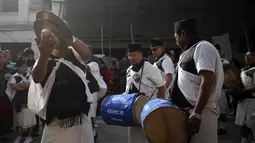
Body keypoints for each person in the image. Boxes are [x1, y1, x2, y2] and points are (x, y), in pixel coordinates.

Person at [28, 27, 94, 143]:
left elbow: (87, 55)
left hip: (81, 121)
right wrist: (44, 54)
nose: (50, 38)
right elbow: (37, 78)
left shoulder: (73, 55)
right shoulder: (43, 60)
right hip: (56, 124)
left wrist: (69, 37)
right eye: (46, 37)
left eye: (54, 34)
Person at [171, 18, 224, 143]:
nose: (176, 40)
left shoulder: (202, 47)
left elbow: (207, 80)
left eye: (176, 37)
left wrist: (196, 115)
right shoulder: (188, 51)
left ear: (182, 34)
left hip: (201, 113)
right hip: (187, 112)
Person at [124, 43, 165, 143]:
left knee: (150, 138)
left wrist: (160, 107)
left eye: (134, 55)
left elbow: (161, 88)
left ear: (141, 55)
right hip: (133, 111)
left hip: (149, 109)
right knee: (134, 138)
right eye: (129, 55)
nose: (131, 58)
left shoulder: (152, 69)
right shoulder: (129, 70)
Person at [6, 58, 36, 143]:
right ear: (18, 67)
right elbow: (13, 86)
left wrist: (19, 86)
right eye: (22, 67)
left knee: (29, 118)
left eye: (26, 66)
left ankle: (29, 136)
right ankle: (20, 136)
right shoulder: (14, 76)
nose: (25, 68)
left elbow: (30, 85)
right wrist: (23, 87)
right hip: (18, 101)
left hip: (28, 100)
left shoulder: (29, 76)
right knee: (19, 119)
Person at [235, 50, 255, 143]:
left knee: (252, 123)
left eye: (249, 56)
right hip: (243, 100)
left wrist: (245, 91)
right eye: (246, 56)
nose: (247, 58)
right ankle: (244, 141)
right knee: (242, 122)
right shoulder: (243, 70)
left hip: (252, 101)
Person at [215, 44, 229, 135]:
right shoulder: (211, 61)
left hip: (221, 90)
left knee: (222, 111)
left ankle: (223, 127)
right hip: (212, 89)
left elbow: (229, 76)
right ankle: (215, 127)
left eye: (217, 50)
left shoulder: (224, 62)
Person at [0, 51, 14, 141]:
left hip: (5, 95)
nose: (1, 59)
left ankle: (2, 133)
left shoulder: (9, 69)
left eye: (2, 57)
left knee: (4, 115)